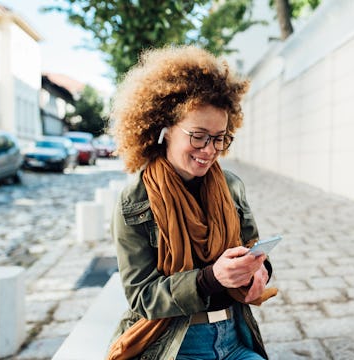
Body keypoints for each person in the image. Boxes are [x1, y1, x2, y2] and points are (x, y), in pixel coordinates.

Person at [107, 46, 277, 360]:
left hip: (234, 337)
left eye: (220, 137)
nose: (210, 150)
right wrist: (212, 278)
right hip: (174, 344)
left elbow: (253, 247)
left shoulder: (231, 186)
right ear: (165, 129)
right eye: (198, 136)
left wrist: (259, 271)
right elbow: (142, 297)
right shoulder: (135, 202)